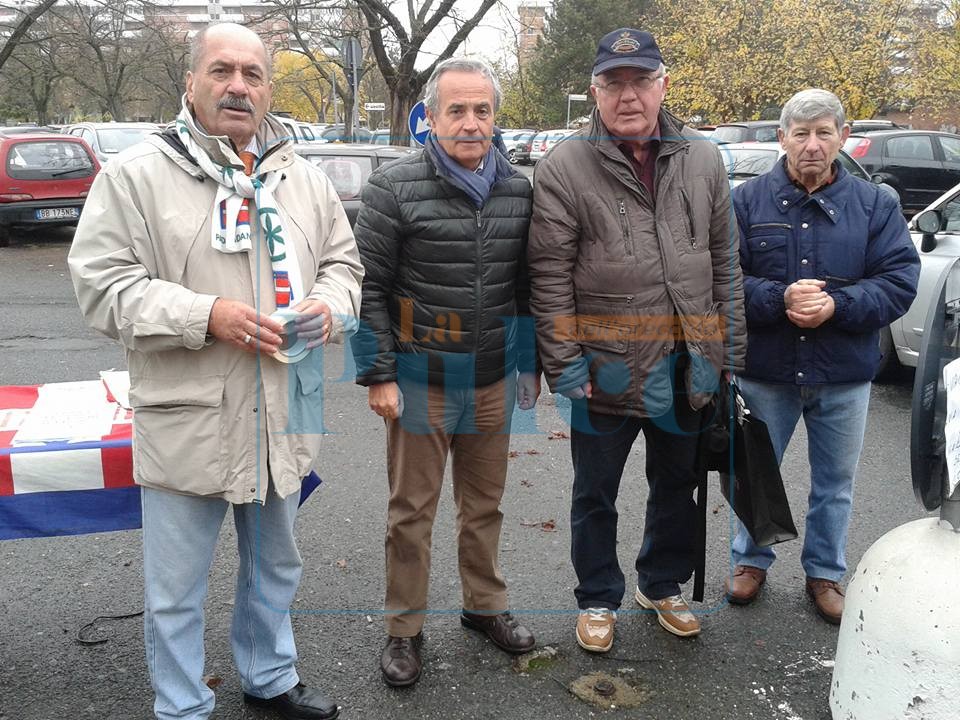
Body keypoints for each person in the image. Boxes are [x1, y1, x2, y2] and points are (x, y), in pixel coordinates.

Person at [67, 23, 363, 720]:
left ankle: (269, 677)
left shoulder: (301, 177)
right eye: (222, 71)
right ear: (191, 83)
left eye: (252, 74)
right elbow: (102, 287)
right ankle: (181, 705)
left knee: (275, 566)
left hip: (283, 409)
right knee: (176, 587)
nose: (238, 86)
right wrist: (207, 316)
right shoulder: (137, 175)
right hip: (189, 415)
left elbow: (344, 265)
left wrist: (328, 307)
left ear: (267, 89)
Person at [527, 28, 745, 650]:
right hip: (606, 369)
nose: (629, 96)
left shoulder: (702, 158)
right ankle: (598, 596)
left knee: (677, 485)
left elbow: (726, 261)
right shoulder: (565, 165)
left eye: (641, 81)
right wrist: (565, 365)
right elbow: (549, 277)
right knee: (595, 493)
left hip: (687, 362)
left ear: (663, 85)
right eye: (614, 83)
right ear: (595, 91)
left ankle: (661, 583)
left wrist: (727, 355)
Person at [350, 57, 539, 688]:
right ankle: (404, 628)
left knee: (484, 506)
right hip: (419, 381)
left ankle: (484, 605)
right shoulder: (393, 188)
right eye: (456, 110)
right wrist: (378, 373)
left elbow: (525, 286)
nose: (471, 123)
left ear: (495, 117)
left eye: (482, 110)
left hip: (491, 380)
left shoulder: (518, 190)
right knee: (412, 512)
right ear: (430, 118)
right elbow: (368, 290)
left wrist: (529, 364)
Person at [727, 88, 919, 624]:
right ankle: (750, 561)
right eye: (801, 133)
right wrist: (779, 298)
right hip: (766, 370)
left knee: (834, 484)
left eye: (824, 133)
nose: (812, 145)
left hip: (843, 374)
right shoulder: (746, 202)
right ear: (782, 138)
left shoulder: (876, 205)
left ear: (843, 137)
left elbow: (899, 280)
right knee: (756, 474)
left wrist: (837, 305)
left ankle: (825, 573)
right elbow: (722, 279)